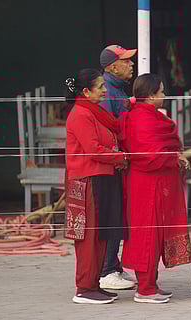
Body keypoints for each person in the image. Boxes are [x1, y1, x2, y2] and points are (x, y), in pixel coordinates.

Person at [121, 74, 191, 304]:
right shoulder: (142, 119)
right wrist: (174, 158)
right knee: (147, 234)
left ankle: (151, 283)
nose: (163, 95)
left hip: (155, 183)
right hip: (146, 185)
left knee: (155, 233)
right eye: (161, 92)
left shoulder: (149, 116)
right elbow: (148, 155)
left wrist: (174, 157)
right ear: (151, 96)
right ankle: (145, 289)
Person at [65, 68, 128, 304]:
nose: (104, 90)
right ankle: (84, 287)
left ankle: (93, 283)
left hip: (101, 177)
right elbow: (93, 149)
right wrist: (119, 157)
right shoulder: (81, 114)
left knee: (100, 234)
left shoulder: (94, 112)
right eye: (100, 86)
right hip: (87, 181)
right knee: (88, 236)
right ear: (85, 91)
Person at [98, 44, 137, 290]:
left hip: (121, 163)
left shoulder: (118, 90)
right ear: (112, 66)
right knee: (112, 216)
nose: (131, 64)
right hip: (112, 165)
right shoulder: (106, 92)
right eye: (126, 61)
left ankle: (114, 266)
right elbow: (106, 130)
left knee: (119, 216)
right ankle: (106, 271)